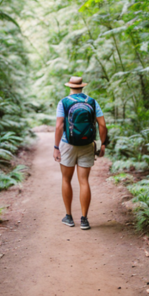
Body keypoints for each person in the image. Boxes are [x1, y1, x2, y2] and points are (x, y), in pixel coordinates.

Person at [53, 76, 107, 230]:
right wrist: (103, 144)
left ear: (69, 86)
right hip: (87, 144)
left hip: (67, 144)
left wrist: (56, 147)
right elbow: (102, 125)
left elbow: (59, 126)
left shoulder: (64, 102)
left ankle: (69, 217)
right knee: (84, 181)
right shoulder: (92, 102)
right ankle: (84, 219)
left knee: (66, 179)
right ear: (82, 87)